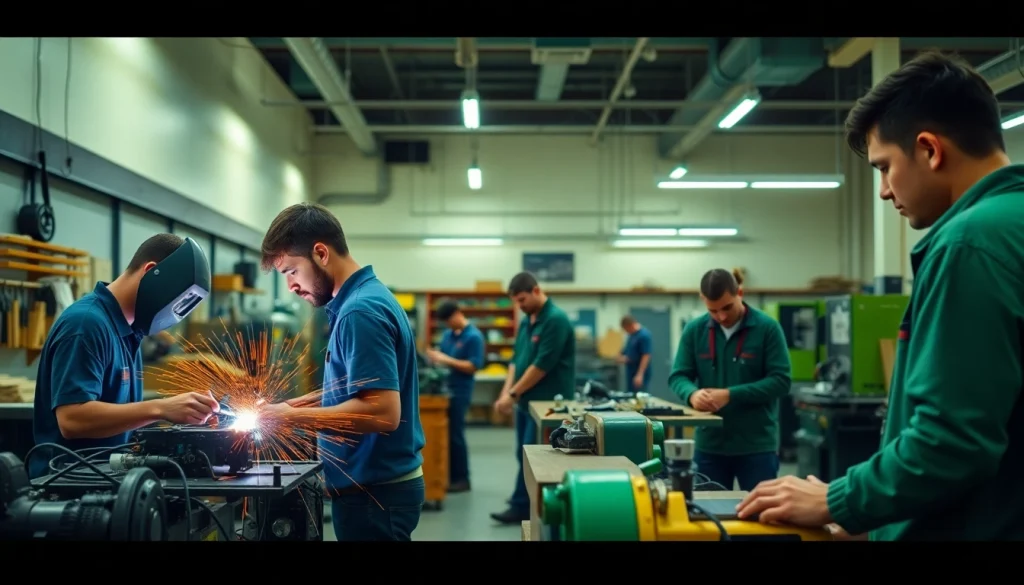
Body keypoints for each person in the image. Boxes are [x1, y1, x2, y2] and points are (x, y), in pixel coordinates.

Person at [737, 51, 1024, 541]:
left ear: (930, 150)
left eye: (884, 167)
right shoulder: (1010, 225)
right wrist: (874, 516)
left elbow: (951, 443)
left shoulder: (969, 245)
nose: (884, 192)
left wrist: (839, 500)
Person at [258, 202, 426, 541]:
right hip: (376, 490)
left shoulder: (359, 312)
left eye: (291, 271)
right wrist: (298, 405)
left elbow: (382, 413)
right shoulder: (366, 299)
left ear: (320, 253)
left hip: (373, 495)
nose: (290, 285)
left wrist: (291, 418)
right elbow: (357, 388)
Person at [31, 234, 218, 478]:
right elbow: (72, 419)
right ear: (151, 271)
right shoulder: (86, 324)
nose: (174, 315)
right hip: (67, 486)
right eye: (177, 302)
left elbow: (121, 420)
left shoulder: (130, 331)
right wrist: (160, 408)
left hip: (108, 481)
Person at [668, 268, 791, 491]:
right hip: (710, 446)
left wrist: (730, 395)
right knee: (706, 518)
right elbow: (679, 376)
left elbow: (781, 380)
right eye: (713, 310)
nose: (721, 317)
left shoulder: (767, 329)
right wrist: (692, 394)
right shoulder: (695, 331)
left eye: (727, 307)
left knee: (764, 518)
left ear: (740, 293)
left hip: (757, 446)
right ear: (702, 300)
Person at [490, 271, 575, 525]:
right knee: (523, 453)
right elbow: (516, 362)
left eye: (522, 299)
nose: (520, 305)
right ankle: (523, 500)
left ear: (536, 291)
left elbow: (541, 365)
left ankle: (530, 507)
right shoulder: (528, 321)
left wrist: (513, 394)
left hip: (548, 406)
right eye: (516, 301)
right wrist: (507, 393)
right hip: (526, 403)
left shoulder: (555, 320)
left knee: (537, 456)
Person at [425, 298, 485, 493]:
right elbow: (443, 360)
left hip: (461, 390)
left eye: (449, 320)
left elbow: (472, 366)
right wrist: (435, 359)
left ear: (458, 313)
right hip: (445, 390)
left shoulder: (473, 337)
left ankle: (462, 478)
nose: (448, 325)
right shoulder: (447, 336)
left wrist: (446, 359)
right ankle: (446, 475)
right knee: (445, 435)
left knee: (456, 435)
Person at [617, 314, 653, 392]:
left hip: (639, 373)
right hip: (631, 371)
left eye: (626, 329)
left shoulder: (644, 336)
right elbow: (627, 350)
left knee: (640, 397)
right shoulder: (632, 336)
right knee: (631, 396)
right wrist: (620, 356)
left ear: (629, 326)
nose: (626, 332)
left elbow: (646, 355)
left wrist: (640, 375)